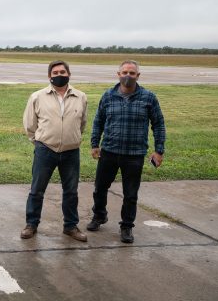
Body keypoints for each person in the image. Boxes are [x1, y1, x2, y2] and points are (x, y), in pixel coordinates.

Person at [88, 60, 166, 243]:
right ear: (118, 74)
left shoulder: (148, 97)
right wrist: (94, 144)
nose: (128, 76)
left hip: (134, 154)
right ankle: (99, 216)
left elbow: (158, 124)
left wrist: (159, 150)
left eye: (132, 73)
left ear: (138, 76)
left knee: (130, 194)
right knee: (100, 188)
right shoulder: (108, 96)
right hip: (109, 152)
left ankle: (127, 226)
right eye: (125, 72)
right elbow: (98, 121)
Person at [21, 60, 88, 242]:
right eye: (55, 72)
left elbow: (82, 123)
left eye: (63, 72)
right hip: (45, 150)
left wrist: (71, 138)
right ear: (49, 76)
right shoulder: (37, 97)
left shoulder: (81, 97)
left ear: (69, 74)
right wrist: (39, 142)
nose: (59, 75)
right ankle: (31, 224)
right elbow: (29, 124)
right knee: (37, 190)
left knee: (71, 191)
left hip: (71, 152)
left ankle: (71, 226)